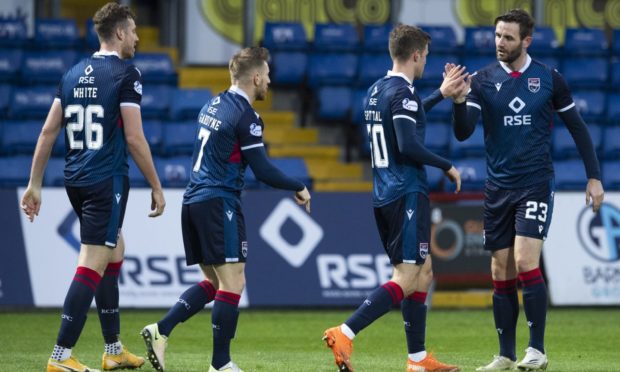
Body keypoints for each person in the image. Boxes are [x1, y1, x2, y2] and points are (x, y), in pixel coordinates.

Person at [450, 9, 605, 371]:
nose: (500, 43)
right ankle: (505, 354)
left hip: (535, 182)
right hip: (497, 187)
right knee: (500, 269)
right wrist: (459, 103)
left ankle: (536, 350)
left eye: (508, 37)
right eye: (497, 36)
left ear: (526, 41)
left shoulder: (549, 79)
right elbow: (463, 131)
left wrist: (593, 176)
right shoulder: (482, 80)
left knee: (524, 260)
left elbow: (579, 129)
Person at [140, 46, 311, 372]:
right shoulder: (246, 116)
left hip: (193, 201)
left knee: (216, 285)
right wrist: (298, 186)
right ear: (256, 76)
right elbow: (262, 169)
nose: (270, 82)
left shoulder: (212, 104)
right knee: (234, 285)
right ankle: (220, 364)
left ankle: (161, 330)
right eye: (268, 75)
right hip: (219, 203)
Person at [20, 2, 166, 371]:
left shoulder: (71, 74)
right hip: (106, 180)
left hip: (76, 179)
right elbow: (134, 137)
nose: (136, 37)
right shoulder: (126, 74)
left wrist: (34, 184)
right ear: (119, 33)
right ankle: (60, 356)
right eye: (132, 31)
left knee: (114, 251)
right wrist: (157, 185)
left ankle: (113, 349)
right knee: (92, 262)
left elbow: (49, 131)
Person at [323, 24, 466, 372]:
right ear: (416, 55)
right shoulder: (402, 94)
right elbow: (408, 143)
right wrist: (445, 164)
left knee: (424, 271)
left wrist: (440, 94)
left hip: (384, 192)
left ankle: (417, 361)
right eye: (425, 57)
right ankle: (345, 332)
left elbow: (407, 116)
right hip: (406, 191)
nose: (425, 62)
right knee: (405, 276)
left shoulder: (377, 90)